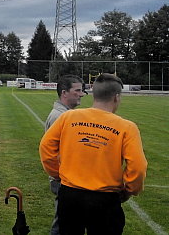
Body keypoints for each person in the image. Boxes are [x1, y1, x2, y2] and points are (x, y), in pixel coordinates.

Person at [39, 73, 147, 235]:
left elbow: (46, 148)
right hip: (105, 199)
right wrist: (130, 190)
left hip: (70, 195)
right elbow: (138, 167)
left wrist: (57, 173)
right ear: (116, 97)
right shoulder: (127, 127)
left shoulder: (68, 117)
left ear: (94, 94)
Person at [44, 75, 86, 235]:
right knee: (63, 226)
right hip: (64, 179)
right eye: (77, 90)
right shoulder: (60, 117)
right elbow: (55, 152)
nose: (81, 94)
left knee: (67, 222)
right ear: (64, 93)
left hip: (65, 177)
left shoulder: (65, 115)